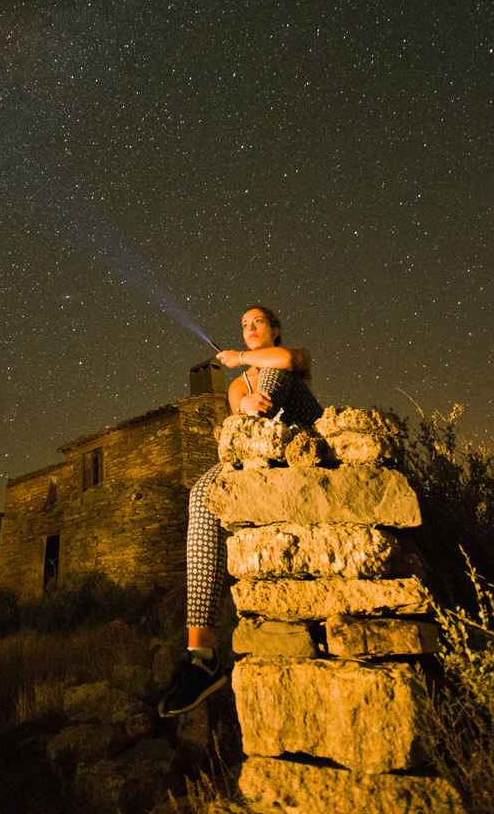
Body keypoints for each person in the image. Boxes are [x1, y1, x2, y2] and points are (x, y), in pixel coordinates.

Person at [158, 306, 323, 718]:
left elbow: (283, 362)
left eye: (258, 323)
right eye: (245, 326)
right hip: (258, 452)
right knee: (200, 494)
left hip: (303, 445)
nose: (250, 329)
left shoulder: (294, 356)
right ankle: (202, 655)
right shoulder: (236, 386)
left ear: (275, 329)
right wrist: (247, 405)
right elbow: (239, 419)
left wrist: (242, 360)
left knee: (276, 372)